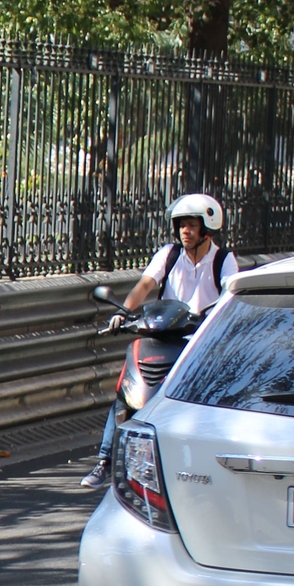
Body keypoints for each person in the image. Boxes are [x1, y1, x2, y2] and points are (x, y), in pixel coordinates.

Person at [80, 193, 237, 489]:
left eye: (192, 225)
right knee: (127, 391)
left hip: (200, 343)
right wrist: (125, 311)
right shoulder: (169, 254)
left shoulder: (224, 260)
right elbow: (146, 284)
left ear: (208, 228)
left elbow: (230, 294)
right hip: (163, 336)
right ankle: (105, 461)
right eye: (181, 225)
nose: (185, 231)